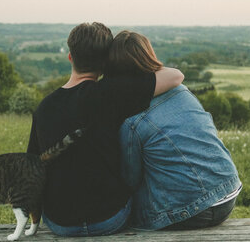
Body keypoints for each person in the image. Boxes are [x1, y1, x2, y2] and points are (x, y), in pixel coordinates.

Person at [26, 22, 183, 236]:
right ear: (105, 62)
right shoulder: (109, 93)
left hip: (60, 222)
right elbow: (175, 76)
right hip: (110, 218)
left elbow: (31, 169)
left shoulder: (44, 108)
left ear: (70, 57)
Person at [106, 30, 242, 231]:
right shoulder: (181, 90)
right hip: (229, 193)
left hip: (193, 210)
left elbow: (130, 180)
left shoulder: (132, 121)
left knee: (121, 211)